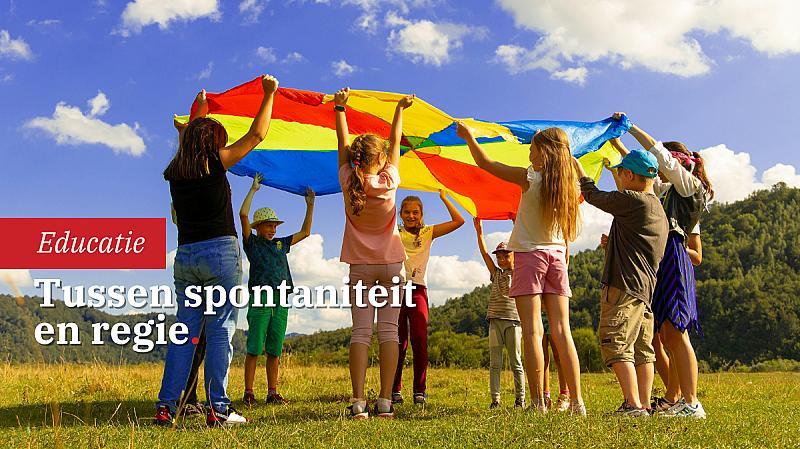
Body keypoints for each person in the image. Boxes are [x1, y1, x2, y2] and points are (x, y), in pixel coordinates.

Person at [155, 75, 280, 427]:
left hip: (186, 258)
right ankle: (219, 409)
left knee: (185, 333)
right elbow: (257, 135)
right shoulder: (215, 163)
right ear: (212, 143)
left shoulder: (176, 171)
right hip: (220, 255)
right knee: (221, 331)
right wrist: (268, 95)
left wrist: (201, 108)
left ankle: (166, 407)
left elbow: (188, 139)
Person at [457, 123, 586, 415]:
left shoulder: (529, 177)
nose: (528, 151)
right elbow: (574, 166)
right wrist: (568, 158)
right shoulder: (571, 184)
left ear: (544, 153)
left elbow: (485, 162)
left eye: (533, 147)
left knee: (532, 332)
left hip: (529, 256)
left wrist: (469, 138)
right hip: (557, 257)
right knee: (563, 331)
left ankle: (538, 403)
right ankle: (578, 402)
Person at [622, 116, 713, 419]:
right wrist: (615, 142)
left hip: (674, 256)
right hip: (663, 258)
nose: (659, 170)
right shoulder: (668, 190)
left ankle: (691, 402)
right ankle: (681, 401)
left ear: (676, 165)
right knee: (668, 333)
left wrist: (632, 128)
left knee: (676, 333)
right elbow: (641, 172)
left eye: (664, 165)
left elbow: (656, 152)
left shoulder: (689, 186)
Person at [335, 87, 414, 419]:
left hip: (360, 269)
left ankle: (357, 402)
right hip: (392, 266)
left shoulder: (347, 180)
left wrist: (340, 108)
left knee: (361, 333)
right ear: (381, 159)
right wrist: (399, 109)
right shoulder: (390, 181)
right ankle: (384, 401)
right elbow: (397, 142)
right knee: (389, 332)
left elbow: (342, 145)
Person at [577, 144, 668, 417]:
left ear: (629, 174)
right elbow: (639, 245)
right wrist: (614, 244)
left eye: (621, 173)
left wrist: (579, 172)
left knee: (616, 341)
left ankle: (632, 404)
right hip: (644, 290)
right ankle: (643, 404)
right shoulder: (657, 209)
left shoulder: (634, 200)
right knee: (642, 349)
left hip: (624, 286)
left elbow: (593, 195)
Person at [240, 173, 315, 406]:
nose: (272, 229)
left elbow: (305, 232)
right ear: (259, 227)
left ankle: (272, 392)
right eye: (268, 225)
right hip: (260, 297)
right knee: (254, 347)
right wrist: (253, 190)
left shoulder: (281, 244)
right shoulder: (252, 243)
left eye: (274, 225)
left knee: (274, 349)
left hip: (281, 298)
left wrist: (310, 206)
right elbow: (243, 215)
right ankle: (249, 392)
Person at [391, 192, 464, 405]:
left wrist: (444, 196)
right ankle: (395, 389)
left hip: (418, 290)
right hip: (396, 289)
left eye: (415, 212)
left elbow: (459, 221)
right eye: (407, 212)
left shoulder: (428, 232)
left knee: (420, 340)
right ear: (400, 214)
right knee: (398, 342)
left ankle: (419, 391)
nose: (411, 215)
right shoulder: (394, 231)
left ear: (422, 214)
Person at [474, 219, 526, 409]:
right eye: (500, 257)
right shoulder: (496, 274)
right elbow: (484, 254)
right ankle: (495, 400)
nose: (502, 260)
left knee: (516, 362)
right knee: (495, 363)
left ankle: (520, 399)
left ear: (514, 256)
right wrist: (479, 232)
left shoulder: (520, 271)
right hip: (495, 321)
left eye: (506, 256)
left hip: (513, 322)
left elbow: (523, 245)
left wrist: (517, 224)